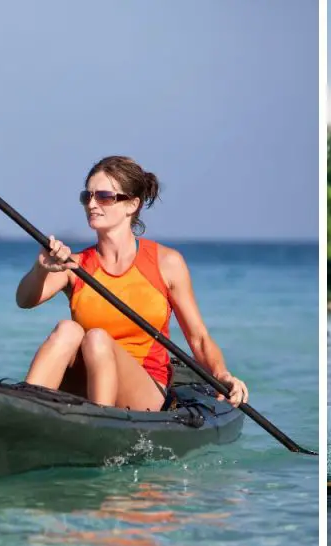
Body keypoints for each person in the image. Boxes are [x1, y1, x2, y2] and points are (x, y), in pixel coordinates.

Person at [14, 155, 248, 411]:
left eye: (104, 196)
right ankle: (24, 411)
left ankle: (100, 428)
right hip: (84, 382)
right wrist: (40, 269)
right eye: (87, 196)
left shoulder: (166, 262)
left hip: (144, 387)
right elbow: (24, 301)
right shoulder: (75, 264)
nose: (91, 204)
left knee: (97, 339)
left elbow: (199, 338)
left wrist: (222, 376)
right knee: (67, 330)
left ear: (132, 205)